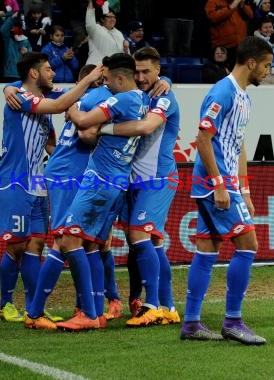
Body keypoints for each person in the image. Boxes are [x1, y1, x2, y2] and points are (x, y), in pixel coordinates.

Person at [0, 52, 103, 323]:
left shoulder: (44, 98)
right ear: (33, 73)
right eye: (47, 69)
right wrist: (88, 78)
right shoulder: (21, 98)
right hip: (14, 181)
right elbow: (62, 104)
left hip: (38, 182)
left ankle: (33, 308)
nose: (53, 73)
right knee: (16, 248)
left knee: (37, 244)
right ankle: (6, 303)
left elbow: (52, 142)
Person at [179, 36, 272, 345]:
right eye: (266, 65)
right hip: (214, 184)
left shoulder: (245, 97)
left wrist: (244, 189)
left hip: (227, 184)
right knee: (248, 244)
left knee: (207, 249)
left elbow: (238, 145)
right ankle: (232, 320)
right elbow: (203, 139)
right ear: (251, 63)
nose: (268, 72)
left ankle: (191, 323)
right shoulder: (223, 91)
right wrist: (219, 184)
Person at [56, 53, 150, 331]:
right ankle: (96, 309)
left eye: (108, 80)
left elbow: (84, 122)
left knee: (69, 241)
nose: (105, 85)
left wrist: (71, 108)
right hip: (117, 181)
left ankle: (88, 312)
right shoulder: (142, 99)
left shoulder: (121, 99)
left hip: (100, 180)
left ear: (121, 78)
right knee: (93, 245)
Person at [100, 47, 181, 326]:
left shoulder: (165, 96)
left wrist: (103, 129)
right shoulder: (140, 96)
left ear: (158, 70)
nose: (142, 76)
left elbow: (146, 128)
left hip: (157, 178)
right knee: (154, 242)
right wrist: (10, 87)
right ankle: (168, 306)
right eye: (138, 71)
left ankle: (150, 305)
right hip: (134, 180)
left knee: (138, 235)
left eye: (147, 71)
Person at [205, 0, 254, 69]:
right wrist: (231, 7)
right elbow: (213, 17)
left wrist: (243, 6)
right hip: (223, 47)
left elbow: (250, 15)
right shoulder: (212, 2)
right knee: (222, 74)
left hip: (240, 46)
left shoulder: (239, 2)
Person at [85, 0, 128, 65]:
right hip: (95, 68)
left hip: (112, 70)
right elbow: (89, 22)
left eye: (114, 17)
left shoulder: (119, 33)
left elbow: (125, 55)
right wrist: (91, 2)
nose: (112, 19)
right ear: (102, 19)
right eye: (109, 17)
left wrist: (126, 49)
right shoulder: (96, 29)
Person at [1, 11, 32, 82]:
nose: (15, 29)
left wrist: (27, 53)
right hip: (9, 74)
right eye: (13, 26)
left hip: (22, 74)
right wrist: (11, 18)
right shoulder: (7, 40)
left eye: (17, 27)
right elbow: (3, 30)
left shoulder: (25, 40)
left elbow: (31, 56)